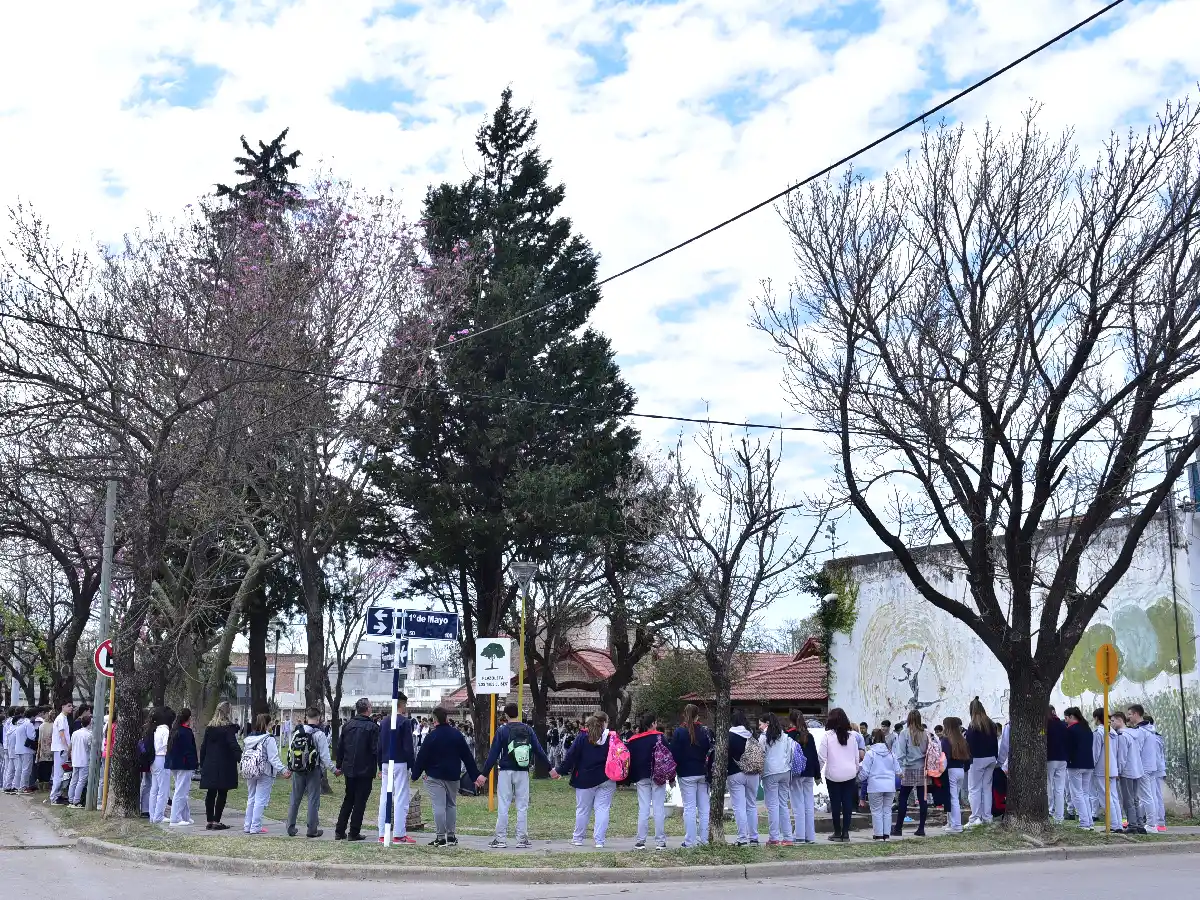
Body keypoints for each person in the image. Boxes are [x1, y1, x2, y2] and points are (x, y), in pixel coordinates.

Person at [481, 702, 553, 849]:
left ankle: (500, 839)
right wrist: (550, 768)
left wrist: (484, 774)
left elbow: (493, 754)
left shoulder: (502, 731)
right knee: (522, 806)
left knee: (503, 805)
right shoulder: (528, 729)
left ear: (506, 715)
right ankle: (522, 839)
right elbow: (539, 750)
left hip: (505, 771)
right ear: (518, 714)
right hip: (523, 771)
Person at [412, 705, 482, 847]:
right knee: (451, 805)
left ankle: (440, 837)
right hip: (453, 775)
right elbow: (467, 757)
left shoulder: (431, 736)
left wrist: (415, 774)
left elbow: (421, 757)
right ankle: (451, 836)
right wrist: (475, 776)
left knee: (438, 805)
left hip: (434, 776)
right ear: (447, 718)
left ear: (435, 720)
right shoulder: (457, 735)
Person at [555, 712, 617, 848]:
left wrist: (560, 770)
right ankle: (599, 841)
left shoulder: (583, 737)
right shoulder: (611, 738)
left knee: (582, 809)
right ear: (605, 722)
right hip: (607, 777)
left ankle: (578, 838)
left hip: (585, 778)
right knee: (602, 809)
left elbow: (571, 756)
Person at [335, 698, 380, 842]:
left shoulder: (348, 725)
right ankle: (354, 832)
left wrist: (339, 765)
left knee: (349, 798)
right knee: (360, 801)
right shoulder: (373, 727)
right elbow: (375, 750)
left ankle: (339, 830)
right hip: (365, 769)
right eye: (370, 706)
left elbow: (340, 747)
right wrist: (379, 766)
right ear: (367, 709)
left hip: (349, 768)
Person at [285, 705, 333, 839]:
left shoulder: (298, 732)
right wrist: (334, 770)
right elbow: (325, 757)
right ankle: (312, 829)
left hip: (297, 769)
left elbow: (291, 750)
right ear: (319, 718)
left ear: (306, 717)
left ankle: (290, 827)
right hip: (313, 769)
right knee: (313, 799)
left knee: (295, 798)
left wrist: (289, 768)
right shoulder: (319, 734)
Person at [374, 694, 416, 844]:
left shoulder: (384, 722)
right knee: (400, 798)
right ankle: (399, 834)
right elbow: (408, 746)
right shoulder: (405, 722)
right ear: (401, 704)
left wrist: (380, 765)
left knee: (385, 797)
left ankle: (382, 833)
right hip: (400, 762)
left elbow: (379, 745)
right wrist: (412, 765)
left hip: (386, 761)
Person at [669, 704, 712, 848]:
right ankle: (704, 839)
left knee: (689, 808)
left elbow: (674, 754)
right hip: (702, 772)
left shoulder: (679, 732)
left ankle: (690, 841)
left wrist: (675, 771)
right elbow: (710, 750)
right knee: (704, 808)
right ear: (697, 715)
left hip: (686, 773)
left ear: (684, 714)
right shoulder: (705, 731)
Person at [626, 711, 669, 850]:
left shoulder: (633, 740)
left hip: (641, 776)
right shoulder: (660, 737)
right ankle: (660, 841)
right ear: (653, 724)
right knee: (658, 808)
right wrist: (671, 777)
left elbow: (629, 760)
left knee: (643, 808)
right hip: (658, 775)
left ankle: (640, 841)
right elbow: (668, 757)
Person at [242, 712, 289, 834]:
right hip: (265, 771)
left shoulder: (249, 738)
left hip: (250, 770)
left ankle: (247, 825)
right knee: (260, 800)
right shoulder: (269, 739)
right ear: (268, 724)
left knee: (251, 798)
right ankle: (255, 826)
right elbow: (273, 758)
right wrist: (283, 770)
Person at [818, 707, 860, 842]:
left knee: (835, 804)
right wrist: (855, 770)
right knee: (847, 803)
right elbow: (856, 758)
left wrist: (817, 773)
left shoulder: (827, 736)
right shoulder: (852, 736)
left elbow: (821, 758)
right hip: (850, 774)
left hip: (833, 774)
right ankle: (845, 833)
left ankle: (837, 832)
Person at [199, 701, 241, 830]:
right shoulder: (228, 729)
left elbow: (203, 747)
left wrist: (202, 763)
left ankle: (209, 820)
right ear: (228, 712)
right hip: (224, 765)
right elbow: (233, 745)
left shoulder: (210, 728)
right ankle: (216, 820)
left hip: (210, 764)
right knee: (222, 792)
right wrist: (241, 758)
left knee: (211, 792)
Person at [891, 710, 929, 837]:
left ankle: (898, 828)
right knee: (923, 799)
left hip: (908, 768)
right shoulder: (925, 733)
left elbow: (900, 753)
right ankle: (921, 828)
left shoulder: (904, 733)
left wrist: (899, 768)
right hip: (922, 768)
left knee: (903, 798)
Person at [726, 709, 760, 847]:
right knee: (751, 805)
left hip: (735, 773)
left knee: (739, 807)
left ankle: (742, 838)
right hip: (753, 773)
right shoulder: (752, 735)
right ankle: (754, 838)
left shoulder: (729, 735)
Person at [758, 712, 793, 846]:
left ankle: (774, 837)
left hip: (770, 772)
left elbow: (760, 755)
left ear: (767, 723)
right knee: (783, 804)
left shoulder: (764, 737)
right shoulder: (784, 736)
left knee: (772, 805)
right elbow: (789, 753)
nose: (759, 727)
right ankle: (788, 837)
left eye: (761, 724)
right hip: (785, 771)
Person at [1127, 705, 1162, 833]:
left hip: (1144, 767)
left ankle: (1151, 825)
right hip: (1151, 766)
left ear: (1136, 714)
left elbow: (1137, 750)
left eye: (1129, 714)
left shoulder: (1140, 731)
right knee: (1151, 796)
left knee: (1146, 797)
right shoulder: (1150, 729)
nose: (1128, 717)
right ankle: (1151, 823)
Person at [860, 728, 899, 840]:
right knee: (887, 810)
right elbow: (898, 770)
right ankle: (886, 834)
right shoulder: (891, 753)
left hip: (875, 785)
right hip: (890, 786)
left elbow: (865, 772)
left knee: (876, 811)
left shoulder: (870, 753)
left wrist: (859, 777)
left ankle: (878, 835)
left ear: (873, 738)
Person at [786, 711, 819, 844]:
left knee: (797, 804)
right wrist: (817, 774)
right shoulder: (809, 736)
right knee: (809, 804)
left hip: (796, 773)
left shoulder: (789, 735)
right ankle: (810, 836)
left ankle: (799, 835)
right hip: (809, 773)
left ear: (791, 721)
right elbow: (815, 756)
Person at [964, 698, 998, 827]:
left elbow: (969, 745)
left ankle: (975, 818)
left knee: (974, 789)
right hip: (991, 759)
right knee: (986, 789)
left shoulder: (973, 726)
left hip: (977, 759)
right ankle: (987, 817)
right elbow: (995, 742)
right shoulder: (991, 724)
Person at [1090, 708, 1123, 832]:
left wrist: (1091, 766)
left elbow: (1095, 752)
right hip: (1112, 768)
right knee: (1114, 797)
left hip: (1101, 769)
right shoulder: (1113, 733)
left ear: (1097, 718)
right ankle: (1118, 824)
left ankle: (1113, 825)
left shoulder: (1099, 732)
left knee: (1106, 798)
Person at [164, 709, 197, 826]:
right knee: (181, 792)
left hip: (174, 764)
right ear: (189, 718)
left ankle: (185, 816)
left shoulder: (174, 730)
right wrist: (194, 763)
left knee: (181, 790)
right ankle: (175, 818)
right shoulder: (186, 732)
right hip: (184, 764)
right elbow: (189, 750)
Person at [1062, 706, 1094, 829]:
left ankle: (1084, 822)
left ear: (1071, 717)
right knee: (1085, 793)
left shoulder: (1070, 730)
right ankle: (1089, 821)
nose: (1065, 721)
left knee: (1077, 794)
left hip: (1075, 764)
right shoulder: (1087, 729)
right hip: (1088, 764)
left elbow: (1067, 747)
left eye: (1066, 718)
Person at [1113, 711, 1145, 832]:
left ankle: (1132, 825)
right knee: (1135, 799)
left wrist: (1118, 771)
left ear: (1120, 720)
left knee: (1128, 800)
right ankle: (1140, 825)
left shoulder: (1122, 736)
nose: (1111, 724)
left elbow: (1122, 757)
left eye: (1113, 721)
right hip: (1137, 769)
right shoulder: (1134, 733)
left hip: (1127, 771)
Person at [941, 717, 970, 833]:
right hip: (960, 770)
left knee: (952, 798)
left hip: (950, 770)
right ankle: (951, 823)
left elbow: (944, 757)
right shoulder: (962, 740)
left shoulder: (946, 740)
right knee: (954, 797)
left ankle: (956, 825)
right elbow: (968, 759)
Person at [146, 706, 175, 822]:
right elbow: (167, 747)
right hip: (162, 759)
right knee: (163, 789)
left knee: (154, 789)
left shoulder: (155, 729)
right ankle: (159, 815)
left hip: (154, 760)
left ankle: (152, 814)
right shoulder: (165, 731)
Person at [1045, 706, 1069, 823]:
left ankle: (1049, 810)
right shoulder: (1063, 725)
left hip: (1050, 758)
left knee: (1048, 786)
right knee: (1059, 789)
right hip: (1063, 759)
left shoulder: (1045, 725)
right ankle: (1059, 816)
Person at [48, 700, 73, 805]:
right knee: (59, 774)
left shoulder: (64, 718)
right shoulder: (61, 718)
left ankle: (58, 795)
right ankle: (54, 797)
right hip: (60, 749)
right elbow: (62, 735)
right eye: (69, 706)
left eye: (71, 706)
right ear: (63, 706)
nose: (71, 708)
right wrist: (67, 749)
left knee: (61, 773)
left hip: (61, 749)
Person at [65, 712, 91, 808]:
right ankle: (76, 800)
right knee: (81, 781)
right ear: (90, 723)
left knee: (74, 780)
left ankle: (70, 799)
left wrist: (69, 755)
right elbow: (90, 747)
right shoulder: (89, 735)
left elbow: (70, 746)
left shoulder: (75, 733)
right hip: (84, 760)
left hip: (75, 759)